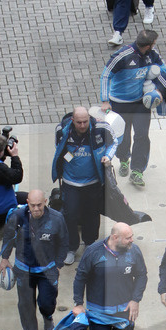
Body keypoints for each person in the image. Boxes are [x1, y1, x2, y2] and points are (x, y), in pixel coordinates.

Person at [72, 223, 148, 330]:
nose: (132, 240)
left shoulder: (134, 251)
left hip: (125, 311)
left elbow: (142, 275)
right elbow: (80, 277)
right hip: (98, 311)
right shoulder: (93, 252)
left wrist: (135, 300)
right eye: (128, 237)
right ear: (115, 238)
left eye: (132, 236)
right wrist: (78, 303)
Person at [0, 189, 69, 330]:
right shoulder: (17, 216)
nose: (36, 209)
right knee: (25, 305)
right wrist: (4, 258)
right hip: (23, 269)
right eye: (32, 205)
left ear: (45, 201)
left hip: (47, 270)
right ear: (27, 203)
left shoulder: (57, 219)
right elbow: (8, 236)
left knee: (46, 302)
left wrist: (58, 264)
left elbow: (64, 242)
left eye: (39, 205)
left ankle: (48, 317)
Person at [52, 107, 116, 265]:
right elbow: (59, 149)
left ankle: (90, 244)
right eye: (79, 122)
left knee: (92, 215)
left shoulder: (102, 129)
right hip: (70, 183)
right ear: (73, 120)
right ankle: (71, 247)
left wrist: (108, 156)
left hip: (93, 183)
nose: (82, 125)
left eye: (85, 122)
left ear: (90, 118)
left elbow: (114, 142)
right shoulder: (61, 130)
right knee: (70, 215)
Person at [100, 30, 163, 188]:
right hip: (119, 103)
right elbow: (106, 74)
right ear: (148, 45)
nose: (154, 46)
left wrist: (159, 91)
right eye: (154, 44)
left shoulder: (153, 55)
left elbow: (163, 72)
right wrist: (105, 100)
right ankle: (123, 159)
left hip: (141, 102)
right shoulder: (122, 56)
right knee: (123, 135)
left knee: (142, 135)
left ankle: (137, 171)